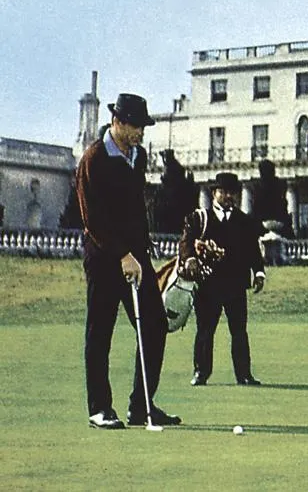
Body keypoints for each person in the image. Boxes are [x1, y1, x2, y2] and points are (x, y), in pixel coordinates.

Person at [76, 93, 181, 429]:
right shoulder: (94, 158)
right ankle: (99, 408)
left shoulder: (138, 157)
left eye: (143, 127)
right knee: (100, 331)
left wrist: (141, 251)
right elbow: (92, 217)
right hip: (103, 256)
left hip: (135, 258)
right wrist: (122, 254)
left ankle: (141, 405)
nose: (141, 132)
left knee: (154, 325)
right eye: (136, 126)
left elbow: (135, 209)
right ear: (117, 122)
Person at [185, 172, 266, 386]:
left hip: (235, 285)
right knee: (205, 330)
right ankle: (201, 372)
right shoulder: (200, 218)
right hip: (208, 285)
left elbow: (253, 251)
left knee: (239, 331)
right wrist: (190, 259)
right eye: (224, 192)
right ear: (214, 194)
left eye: (232, 192)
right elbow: (185, 242)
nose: (229, 196)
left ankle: (244, 375)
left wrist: (259, 273)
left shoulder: (244, 221)